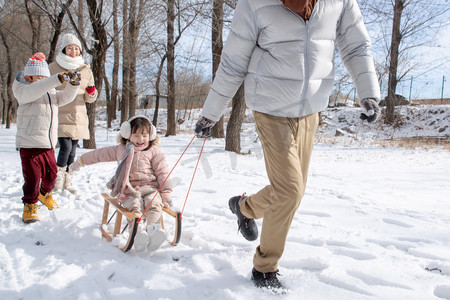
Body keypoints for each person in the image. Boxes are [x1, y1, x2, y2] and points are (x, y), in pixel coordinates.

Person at [194, 0, 381, 291]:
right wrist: (211, 113)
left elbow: (356, 46)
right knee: (290, 191)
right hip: (269, 107)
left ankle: (245, 208)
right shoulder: (254, 4)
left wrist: (368, 91)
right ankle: (264, 268)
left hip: (311, 108)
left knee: (291, 192)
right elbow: (234, 61)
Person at [69, 115, 173, 252]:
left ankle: (154, 230)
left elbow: (162, 171)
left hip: (150, 188)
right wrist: (79, 162)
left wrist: (165, 192)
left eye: (144, 135)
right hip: (129, 190)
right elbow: (99, 154)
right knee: (133, 207)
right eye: (136, 135)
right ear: (127, 134)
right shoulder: (121, 149)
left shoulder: (154, 151)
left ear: (151, 135)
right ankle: (137, 232)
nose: (140, 139)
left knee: (154, 204)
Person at [13, 52, 80, 223]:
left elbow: (65, 97)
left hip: (47, 143)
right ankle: (30, 205)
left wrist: (73, 84)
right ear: (29, 77)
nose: (42, 80)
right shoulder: (23, 90)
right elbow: (36, 89)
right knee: (33, 178)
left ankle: (44, 194)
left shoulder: (50, 92)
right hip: (29, 144)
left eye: (44, 77)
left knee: (52, 175)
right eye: (38, 77)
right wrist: (56, 78)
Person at [49, 33, 98, 194]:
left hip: (78, 115)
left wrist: (91, 93)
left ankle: (68, 178)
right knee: (65, 147)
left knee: (73, 150)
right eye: (70, 48)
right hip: (61, 112)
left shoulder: (85, 69)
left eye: (76, 48)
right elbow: (46, 88)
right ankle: (58, 177)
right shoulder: (54, 67)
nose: (73, 51)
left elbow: (89, 97)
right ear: (64, 49)